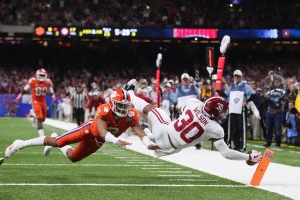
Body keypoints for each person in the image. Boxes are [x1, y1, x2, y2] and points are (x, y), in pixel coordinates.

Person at [124, 79, 262, 164]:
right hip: (170, 149)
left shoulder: (194, 103)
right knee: (157, 119)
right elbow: (226, 154)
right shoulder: (216, 129)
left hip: (165, 132)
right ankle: (146, 130)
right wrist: (248, 157)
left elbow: (182, 110)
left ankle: (129, 93)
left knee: (150, 109)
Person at [4, 89, 156, 163]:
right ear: (112, 103)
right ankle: (20, 144)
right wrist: (116, 141)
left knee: (73, 157)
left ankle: (57, 138)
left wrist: (148, 143)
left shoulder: (130, 115)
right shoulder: (104, 109)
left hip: (98, 141)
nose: (124, 109)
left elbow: (140, 132)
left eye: (125, 105)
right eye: (120, 105)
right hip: (88, 130)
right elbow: (102, 132)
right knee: (57, 143)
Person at [15, 68, 56, 137]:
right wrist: (19, 96)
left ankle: (34, 115)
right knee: (39, 118)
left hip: (43, 102)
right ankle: (42, 137)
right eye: (41, 75)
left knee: (43, 119)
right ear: (37, 75)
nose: (42, 77)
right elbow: (24, 89)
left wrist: (53, 95)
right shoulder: (33, 81)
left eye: (43, 75)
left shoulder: (48, 81)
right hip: (35, 101)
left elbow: (51, 90)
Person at [223, 70, 256, 151]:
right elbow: (225, 95)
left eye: (238, 76)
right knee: (233, 129)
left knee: (241, 129)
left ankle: (242, 146)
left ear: (241, 77)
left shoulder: (245, 86)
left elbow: (253, 94)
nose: (236, 77)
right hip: (232, 110)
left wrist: (246, 102)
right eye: (235, 76)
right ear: (234, 77)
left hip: (241, 110)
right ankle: (236, 145)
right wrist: (217, 90)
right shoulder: (232, 86)